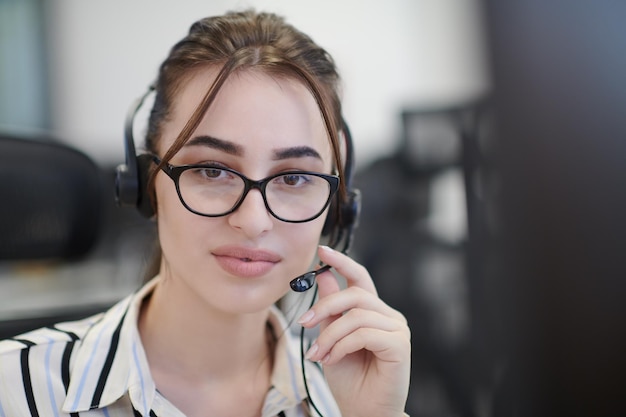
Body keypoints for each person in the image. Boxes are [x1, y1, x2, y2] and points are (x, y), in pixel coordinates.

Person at [0, 9, 410, 417]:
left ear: (338, 206)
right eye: (212, 170)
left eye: (294, 178)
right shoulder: (12, 389)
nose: (252, 221)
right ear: (145, 183)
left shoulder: (347, 396)